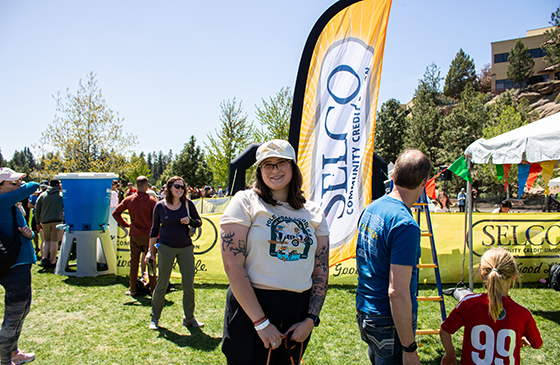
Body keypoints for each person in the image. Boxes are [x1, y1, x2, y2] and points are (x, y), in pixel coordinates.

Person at [219, 139, 330, 365]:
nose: (275, 170)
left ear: (293, 166)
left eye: (281, 163)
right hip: (251, 308)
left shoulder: (314, 212)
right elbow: (233, 266)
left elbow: (321, 270)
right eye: (267, 164)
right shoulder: (245, 201)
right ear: (260, 171)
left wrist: (311, 319)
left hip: (297, 312)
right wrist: (261, 322)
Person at [356, 149, 432, 365]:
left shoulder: (372, 208)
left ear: (394, 175)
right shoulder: (405, 225)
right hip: (387, 319)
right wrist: (409, 348)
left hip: (367, 310)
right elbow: (397, 292)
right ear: (425, 181)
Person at [439, 247, 543, 365]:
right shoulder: (523, 313)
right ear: (514, 274)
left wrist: (450, 355)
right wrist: (518, 339)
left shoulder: (468, 304)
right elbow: (537, 344)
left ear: (483, 275)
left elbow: (445, 331)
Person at [146, 176, 203, 330]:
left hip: (185, 247)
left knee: (188, 284)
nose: (180, 189)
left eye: (182, 187)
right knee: (162, 284)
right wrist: (150, 251)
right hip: (165, 247)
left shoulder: (188, 204)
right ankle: (155, 317)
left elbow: (199, 222)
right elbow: (154, 230)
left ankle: (189, 318)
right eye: (177, 186)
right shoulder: (160, 206)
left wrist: (189, 221)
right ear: (169, 187)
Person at [0, 168, 38, 365]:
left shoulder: (10, 204)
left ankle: (13, 352)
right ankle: (6, 360)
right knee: (13, 316)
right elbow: (33, 186)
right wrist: (23, 185)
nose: (18, 185)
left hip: (20, 263)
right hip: (13, 266)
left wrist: (29, 234)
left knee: (22, 311)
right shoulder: (2, 201)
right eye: (12, 183)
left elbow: (22, 231)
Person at [112, 176, 158, 296]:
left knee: (134, 263)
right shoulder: (152, 201)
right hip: (149, 236)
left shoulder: (129, 199)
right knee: (152, 263)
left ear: (136, 186)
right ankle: (153, 290)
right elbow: (158, 218)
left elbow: (115, 213)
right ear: (147, 186)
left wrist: (125, 224)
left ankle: (132, 289)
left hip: (135, 235)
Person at [35, 178, 64, 269]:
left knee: (46, 240)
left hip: (45, 221)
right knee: (54, 241)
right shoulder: (61, 196)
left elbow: (37, 209)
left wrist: (37, 221)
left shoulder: (42, 195)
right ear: (58, 185)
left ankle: (44, 258)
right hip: (57, 220)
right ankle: (52, 261)